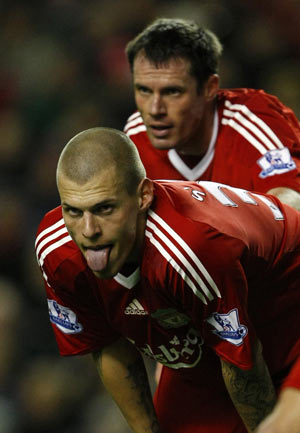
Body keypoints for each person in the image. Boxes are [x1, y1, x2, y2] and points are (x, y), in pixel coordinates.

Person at [35, 127, 300, 433]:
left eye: (104, 209)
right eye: (73, 211)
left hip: (287, 313)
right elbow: (108, 345)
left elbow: (245, 367)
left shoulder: (189, 249)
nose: (89, 231)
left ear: (143, 196)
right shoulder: (56, 250)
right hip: (215, 336)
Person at [124, 17, 300, 211]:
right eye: (144, 90)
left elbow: (292, 204)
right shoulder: (136, 136)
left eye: (172, 92)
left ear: (209, 88)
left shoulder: (251, 121)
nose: (154, 109)